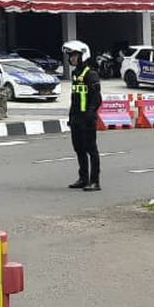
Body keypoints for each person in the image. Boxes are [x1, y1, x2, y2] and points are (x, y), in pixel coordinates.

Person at [64, 39, 102, 192]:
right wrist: (71, 117)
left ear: (82, 56)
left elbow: (97, 98)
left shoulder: (91, 74)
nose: (72, 58)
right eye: (71, 56)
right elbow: (74, 98)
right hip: (76, 118)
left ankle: (95, 181)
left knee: (91, 149)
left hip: (88, 119)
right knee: (78, 148)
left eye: (75, 55)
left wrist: (90, 114)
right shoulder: (75, 74)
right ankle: (83, 178)